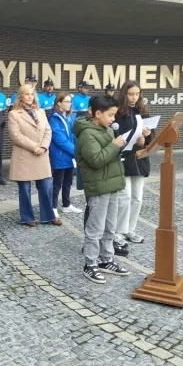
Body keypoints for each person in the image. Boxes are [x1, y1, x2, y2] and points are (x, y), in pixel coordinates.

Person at [73, 95, 130, 284]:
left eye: (114, 115)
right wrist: (114, 146)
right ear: (98, 114)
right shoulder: (87, 134)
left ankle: (106, 259)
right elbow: (96, 160)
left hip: (112, 184)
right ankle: (90, 264)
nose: (113, 119)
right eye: (110, 115)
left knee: (110, 227)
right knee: (95, 228)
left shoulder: (107, 130)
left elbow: (110, 154)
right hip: (98, 186)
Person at [8, 85, 62, 228]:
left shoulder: (41, 112)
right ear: (21, 96)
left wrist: (43, 146)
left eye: (32, 94)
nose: (30, 97)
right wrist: (34, 147)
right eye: (27, 94)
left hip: (41, 155)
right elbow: (16, 136)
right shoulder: (14, 114)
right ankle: (26, 217)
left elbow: (48, 131)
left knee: (46, 186)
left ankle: (48, 215)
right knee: (25, 189)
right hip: (25, 155)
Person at [114, 80, 154, 245]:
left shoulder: (142, 111)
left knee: (137, 198)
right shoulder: (117, 112)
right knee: (125, 197)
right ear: (124, 94)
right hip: (124, 158)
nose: (134, 97)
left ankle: (130, 229)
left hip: (139, 159)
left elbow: (151, 136)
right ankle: (118, 230)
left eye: (137, 94)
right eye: (131, 94)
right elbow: (116, 134)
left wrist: (147, 136)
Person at [48, 92, 82, 218]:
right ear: (59, 103)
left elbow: (73, 135)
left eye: (70, 102)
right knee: (57, 183)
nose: (69, 104)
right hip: (60, 156)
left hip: (69, 156)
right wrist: (75, 151)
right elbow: (59, 139)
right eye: (67, 102)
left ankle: (66, 205)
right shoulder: (54, 119)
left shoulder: (68, 117)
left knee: (68, 182)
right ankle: (52, 207)